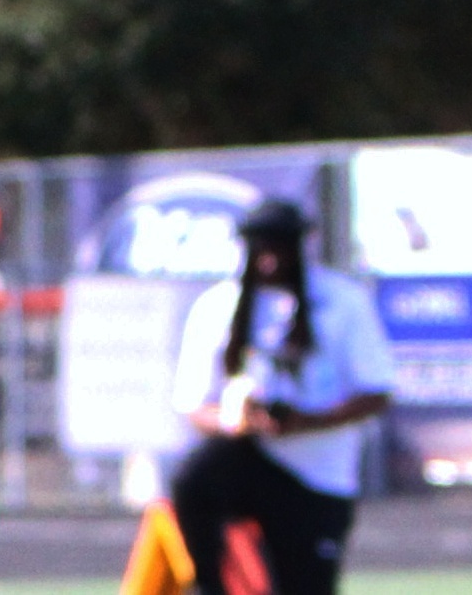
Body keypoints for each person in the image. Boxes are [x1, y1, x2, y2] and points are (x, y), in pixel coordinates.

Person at [169, 198, 395, 595]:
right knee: (194, 480)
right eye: (261, 249)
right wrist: (238, 418)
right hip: (249, 457)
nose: (271, 261)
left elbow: (376, 391)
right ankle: (207, 586)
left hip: (318, 473)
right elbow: (193, 403)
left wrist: (308, 422)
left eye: (280, 248)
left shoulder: (342, 301)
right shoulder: (219, 304)